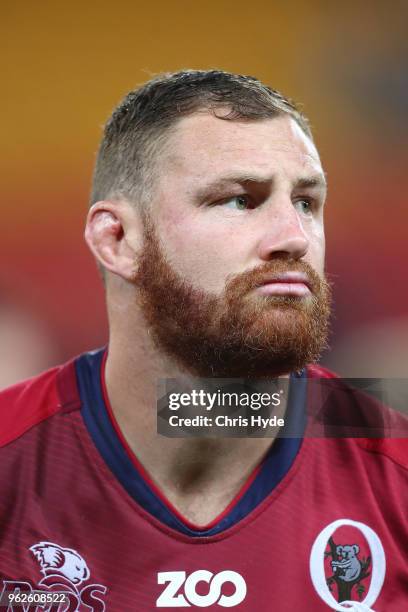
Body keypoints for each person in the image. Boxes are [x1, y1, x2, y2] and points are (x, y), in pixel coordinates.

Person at [0, 70, 406, 612]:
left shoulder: (394, 476)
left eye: (307, 202)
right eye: (240, 199)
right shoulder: (13, 461)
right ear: (117, 239)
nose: (293, 236)